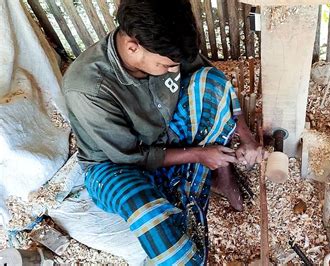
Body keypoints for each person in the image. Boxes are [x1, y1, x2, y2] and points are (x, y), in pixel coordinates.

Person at [61, 0, 265, 264]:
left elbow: (207, 75)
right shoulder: (87, 87)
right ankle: (195, 183)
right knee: (143, 208)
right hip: (115, 164)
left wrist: (246, 137)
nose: (173, 69)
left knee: (212, 83)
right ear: (133, 48)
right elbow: (130, 157)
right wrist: (199, 154)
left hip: (163, 131)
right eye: (166, 66)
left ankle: (220, 176)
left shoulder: (168, 45)